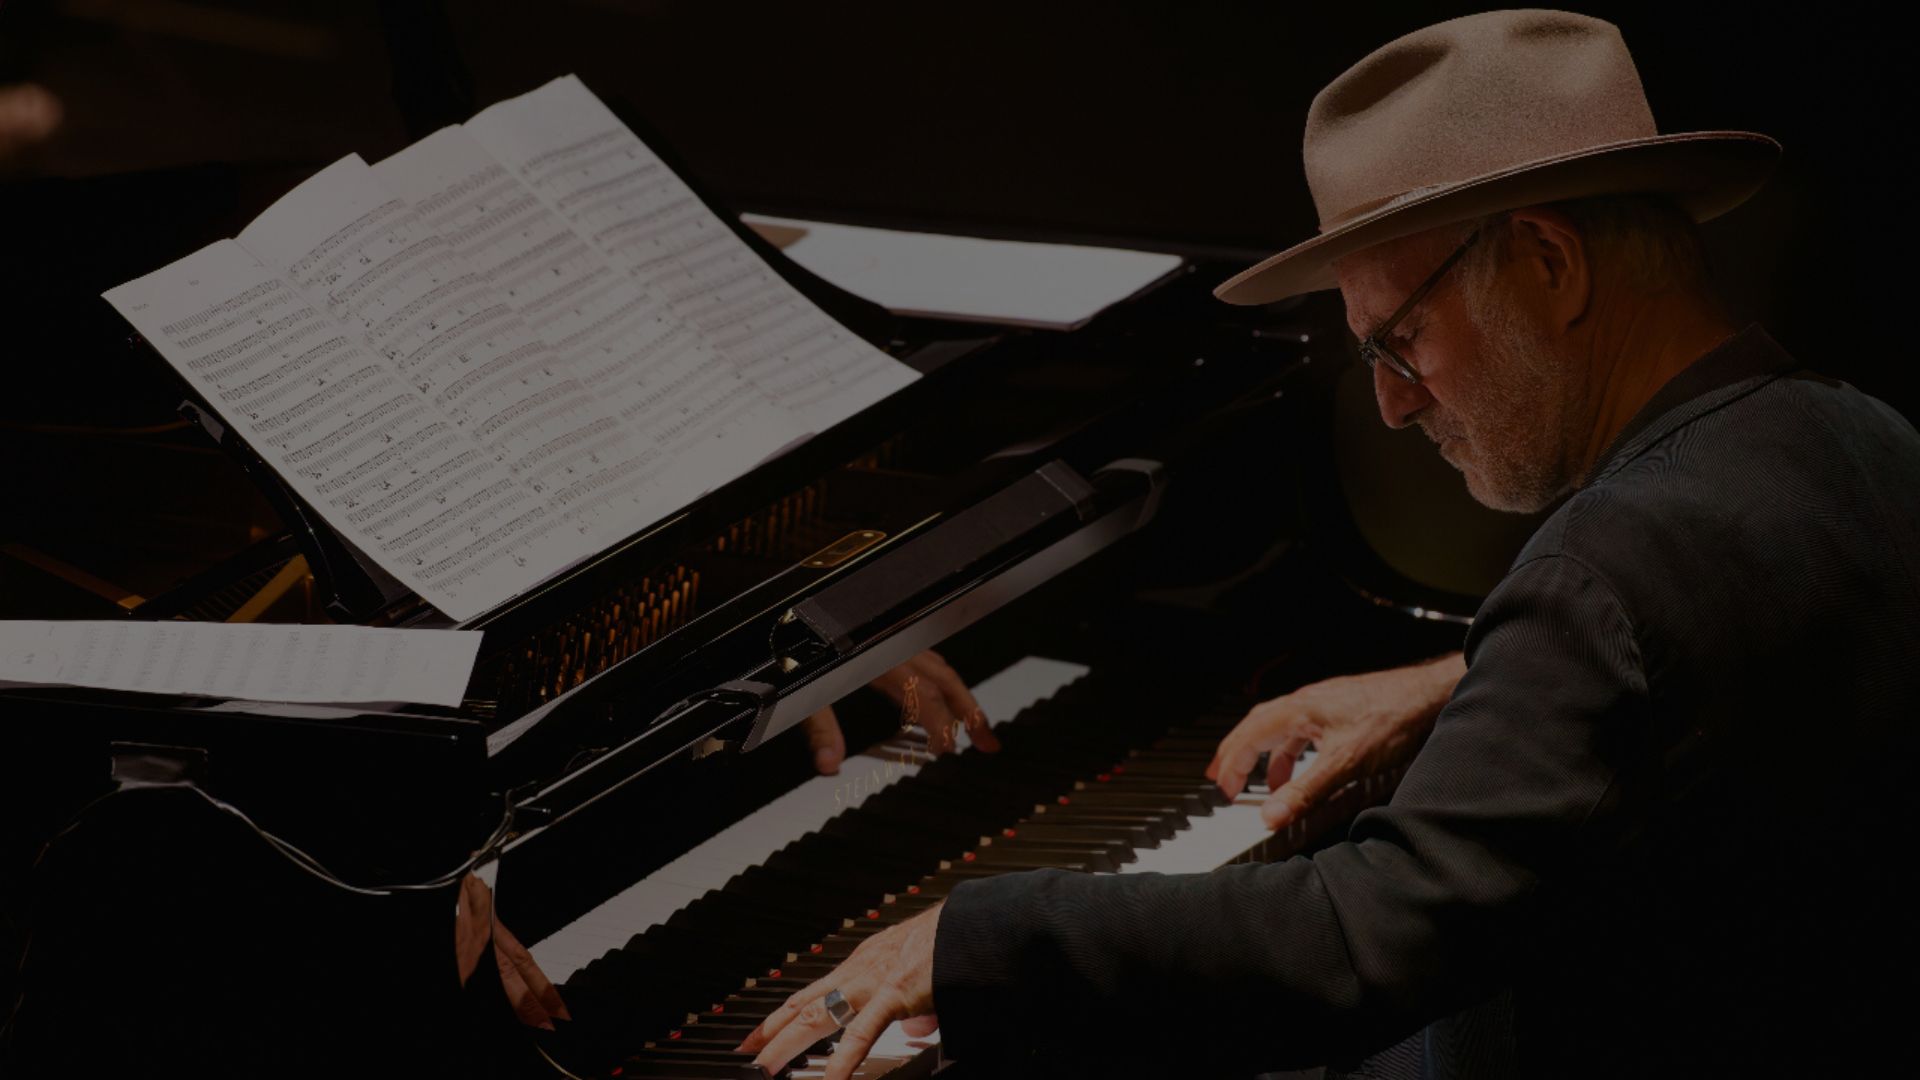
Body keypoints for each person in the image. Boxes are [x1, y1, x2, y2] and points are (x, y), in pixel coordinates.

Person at [738, 10, 1920, 1077]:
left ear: (1550, 265)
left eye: (1401, 339)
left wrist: (980, 934)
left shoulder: (1606, 571)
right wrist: (1459, 683)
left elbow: (1361, 943)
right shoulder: (1855, 436)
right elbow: (1710, 647)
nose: (1398, 405)